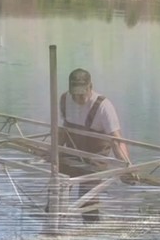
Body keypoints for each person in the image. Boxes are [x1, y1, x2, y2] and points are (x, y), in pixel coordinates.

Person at [57, 68, 136, 223]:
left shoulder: (104, 106)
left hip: (94, 159)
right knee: (56, 192)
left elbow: (116, 139)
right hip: (71, 153)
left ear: (90, 87)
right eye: (76, 94)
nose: (79, 98)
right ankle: (53, 231)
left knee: (87, 200)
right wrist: (53, 152)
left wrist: (127, 167)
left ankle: (93, 235)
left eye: (82, 94)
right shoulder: (65, 99)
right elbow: (64, 129)